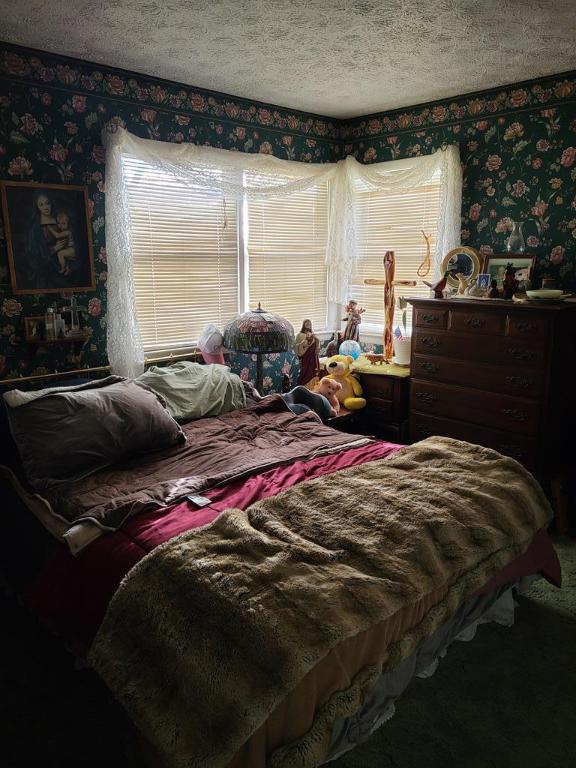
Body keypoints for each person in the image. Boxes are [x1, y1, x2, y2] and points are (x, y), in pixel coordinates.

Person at [293, 319, 320, 388]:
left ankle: (312, 387)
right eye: (307, 324)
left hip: (313, 358)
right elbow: (296, 346)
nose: (309, 326)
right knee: (304, 371)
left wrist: (316, 340)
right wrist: (305, 342)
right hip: (305, 357)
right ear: (303, 325)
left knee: (313, 372)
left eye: (310, 324)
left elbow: (317, 345)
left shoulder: (313, 334)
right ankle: (302, 387)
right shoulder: (299, 335)